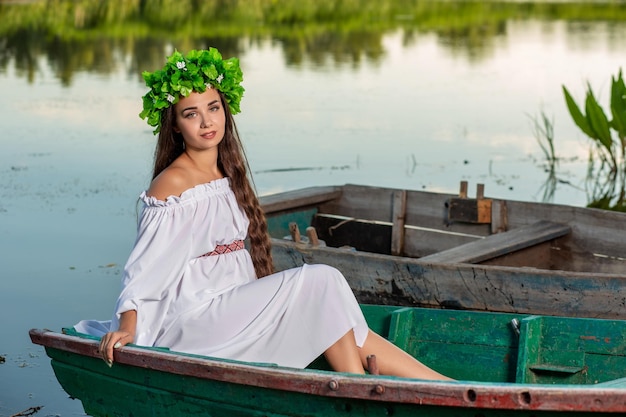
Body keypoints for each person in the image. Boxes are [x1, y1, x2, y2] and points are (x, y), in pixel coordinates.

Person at [74, 48, 451, 380]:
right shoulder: (172, 186)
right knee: (321, 281)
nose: (207, 122)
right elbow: (143, 272)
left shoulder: (226, 172)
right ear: (174, 124)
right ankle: (354, 387)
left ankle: (442, 384)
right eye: (192, 114)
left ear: (225, 109)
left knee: (331, 292)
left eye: (214, 108)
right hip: (195, 320)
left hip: (234, 302)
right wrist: (127, 325)